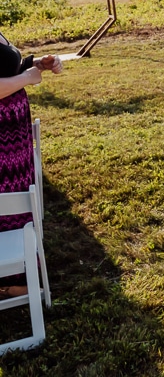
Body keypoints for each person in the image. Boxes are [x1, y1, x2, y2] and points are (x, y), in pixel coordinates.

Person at [0, 31, 62, 299]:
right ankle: (10, 281)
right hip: (2, 144)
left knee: (18, 203)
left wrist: (35, 64)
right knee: (7, 205)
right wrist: (26, 78)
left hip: (11, 137)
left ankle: (21, 270)